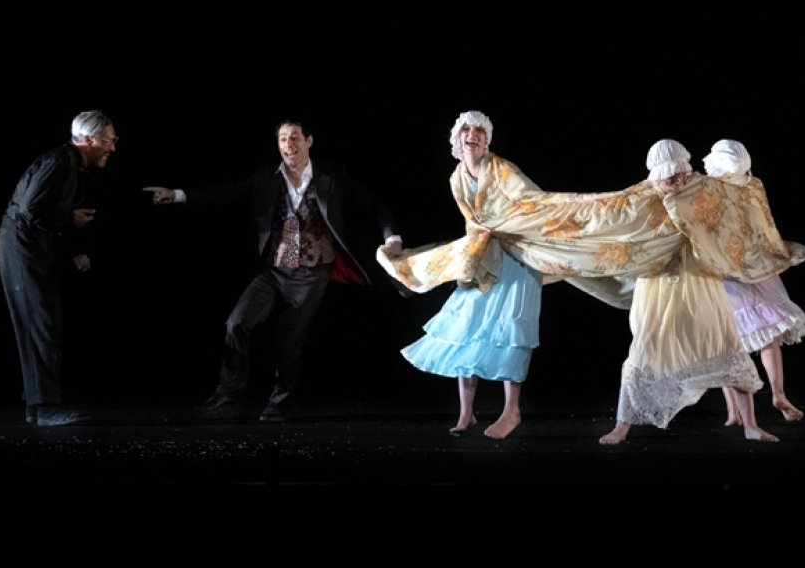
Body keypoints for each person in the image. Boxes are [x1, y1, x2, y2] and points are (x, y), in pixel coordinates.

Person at [143, 119, 404, 422]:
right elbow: (227, 193)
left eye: (294, 138)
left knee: (289, 339)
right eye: (282, 140)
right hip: (275, 270)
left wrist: (393, 238)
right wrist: (177, 194)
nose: (288, 146)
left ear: (308, 141)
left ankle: (280, 401)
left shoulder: (332, 176)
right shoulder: (265, 177)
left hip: (312, 272)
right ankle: (227, 394)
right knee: (236, 323)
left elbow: (373, 203)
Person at [598, 139, 780, 445]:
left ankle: (750, 425)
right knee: (644, 347)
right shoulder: (644, 198)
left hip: (700, 281)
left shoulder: (699, 190)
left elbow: (732, 202)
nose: (678, 181)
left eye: (681, 174)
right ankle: (621, 426)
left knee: (725, 341)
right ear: (658, 175)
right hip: (659, 288)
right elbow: (618, 226)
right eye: (671, 177)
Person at [390, 111, 545, 440]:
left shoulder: (502, 169)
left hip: (517, 256)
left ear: (487, 140)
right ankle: (466, 413)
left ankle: (511, 411)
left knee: (510, 329)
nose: (471, 135)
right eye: (465, 130)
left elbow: (535, 203)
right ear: (457, 139)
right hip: (484, 258)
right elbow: (473, 223)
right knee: (465, 325)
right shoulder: (457, 176)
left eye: (478, 131)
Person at [0, 109, 118, 426]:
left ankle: (37, 406)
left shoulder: (72, 166)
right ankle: (45, 406)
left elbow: (47, 215)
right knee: (40, 324)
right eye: (108, 140)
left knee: (44, 323)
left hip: (33, 248)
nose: (112, 147)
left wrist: (73, 251)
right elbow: (30, 210)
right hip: (21, 249)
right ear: (89, 139)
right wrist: (69, 218)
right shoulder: (58, 162)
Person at [703, 139, 805, 425]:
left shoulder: (710, 190)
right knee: (767, 334)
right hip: (757, 265)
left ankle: (734, 411)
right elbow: (764, 226)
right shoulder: (752, 185)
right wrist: (776, 252)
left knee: (728, 340)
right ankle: (777, 393)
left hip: (727, 269)